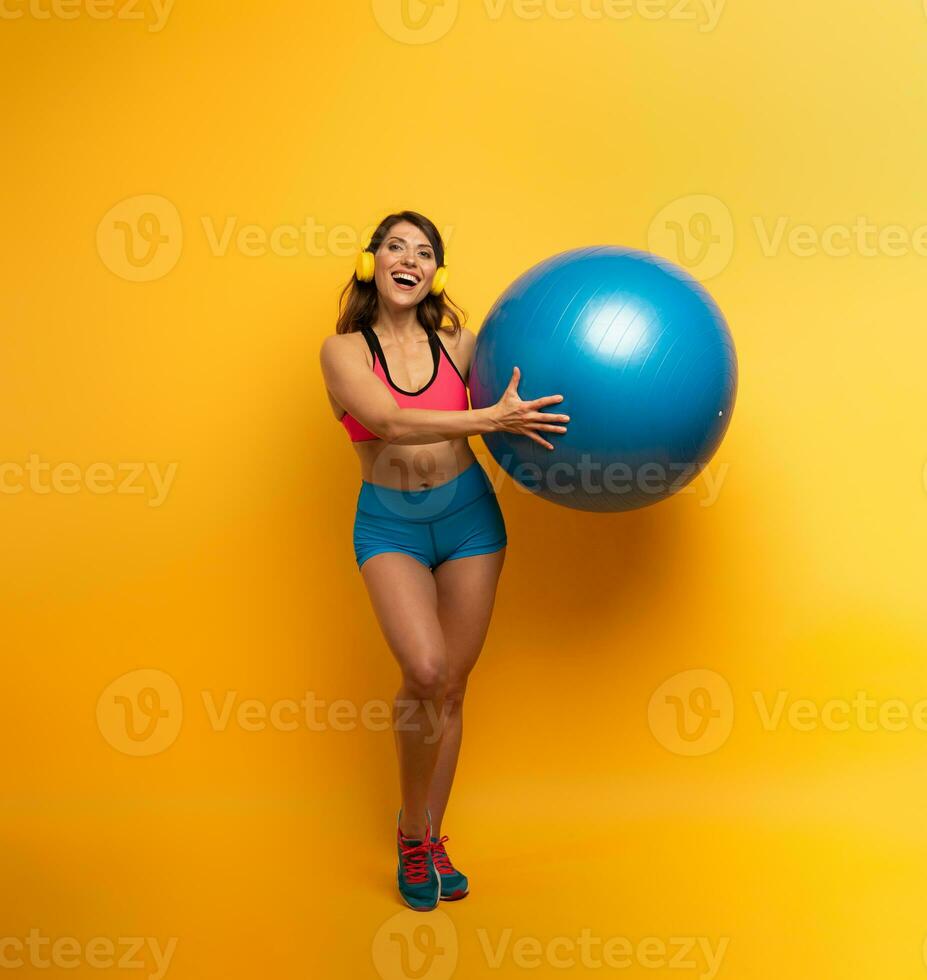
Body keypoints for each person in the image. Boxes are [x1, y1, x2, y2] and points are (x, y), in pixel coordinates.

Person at [319, 210, 570, 910]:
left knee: (453, 686)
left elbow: (533, 384)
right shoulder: (342, 352)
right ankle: (409, 830)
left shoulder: (460, 346)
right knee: (423, 671)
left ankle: (432, 838)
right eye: (395, 247)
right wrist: (489, 419)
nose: (409, 259)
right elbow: (390, 422)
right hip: (389, 526)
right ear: (371, 263)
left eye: (424, 251)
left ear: (438, 272)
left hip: (468, 523)